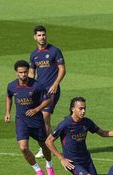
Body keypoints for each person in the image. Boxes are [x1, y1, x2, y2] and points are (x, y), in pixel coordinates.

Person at [5, 60, 57, 175]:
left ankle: (49, 166)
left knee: (44, 145)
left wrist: (36, 109)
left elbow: (48, 100)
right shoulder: (11, 86)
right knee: (23, 148)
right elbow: (8, 96)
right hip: (21, 121)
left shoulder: (37, 85)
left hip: (36, 121)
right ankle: (38, 171)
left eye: (25, 72)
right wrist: (7, 112)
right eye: (21, 72)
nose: (23, 74)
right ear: (16, 73)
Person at [29, 25, 66, 158]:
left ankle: (46, 145)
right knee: (42, 120)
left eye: (43, 35)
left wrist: (56, 84)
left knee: (45, 116)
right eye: (39, 35)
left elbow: (62, 69)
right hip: (39, 91)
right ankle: (46, 145)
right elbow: (32, 72)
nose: (42, 37)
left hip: (52, 90)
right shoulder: (34, 55)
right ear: (35, 37)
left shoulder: (55, 51)